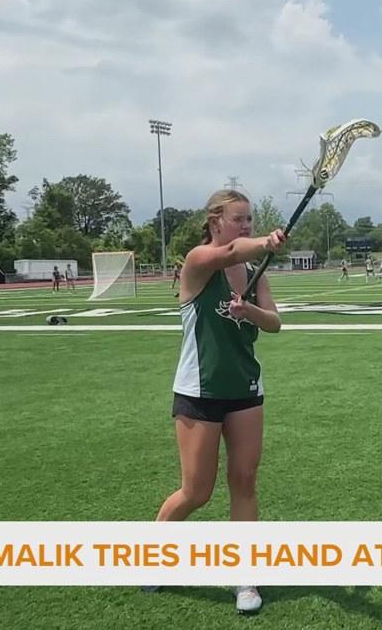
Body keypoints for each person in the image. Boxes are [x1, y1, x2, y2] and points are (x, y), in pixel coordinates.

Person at [144, 189, 287, 615]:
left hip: (245, 389)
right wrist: (264, 243)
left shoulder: (255, 270)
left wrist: (251, 313)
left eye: (251, 220)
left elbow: (275, 323)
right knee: (196, 491)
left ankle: (244, 574)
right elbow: (229, 251)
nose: (247, 226)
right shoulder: (198, 261)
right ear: (215, 222)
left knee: (244, 481)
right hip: (199, 392)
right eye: (239, 219)